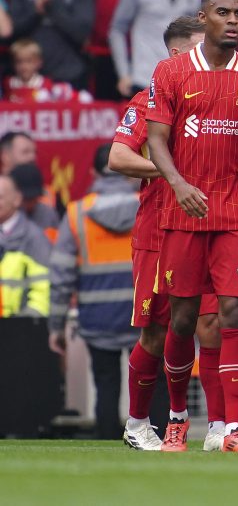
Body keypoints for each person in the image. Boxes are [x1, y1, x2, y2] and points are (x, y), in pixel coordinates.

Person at [145, 0, 238, 453]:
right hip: (183, 214)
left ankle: (233, 429)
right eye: (223, 12)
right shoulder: (173, 71)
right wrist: (179, 185)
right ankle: (178, 419)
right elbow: (156, 139)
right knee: (181, 320)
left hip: (236, 214)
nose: (233, 21)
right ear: (204, 18)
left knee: (232, 313)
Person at [112, 16, 228, 452]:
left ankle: (217, 426)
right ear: (178, 55)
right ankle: (139, 423)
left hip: (207, 229)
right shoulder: (146, 102)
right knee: (156, 331)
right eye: (203, 48)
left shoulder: (217, 98)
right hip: (157, 234)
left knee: (212, 324)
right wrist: (173, 172)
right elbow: (118, 157)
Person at [47, 144, 139, 440]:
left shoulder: (76, 213)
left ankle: (107, 439)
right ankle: (162, 438)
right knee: (154, 383)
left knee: (106, 384)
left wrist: (56, 326)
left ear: (92, 173)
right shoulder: (148, 204)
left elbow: (61, 276)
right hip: (144, 313)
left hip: (96, 316)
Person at [0, 174, 51, 317]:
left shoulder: (34, 237)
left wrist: (23, 325)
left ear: (16, 199)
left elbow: (43, 292)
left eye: (1, 197)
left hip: (19, 330)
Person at [3, 38, 85, 102]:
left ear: (39, 63)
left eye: (29, 61)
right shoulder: (9, 83)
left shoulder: (45, 83)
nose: (24, 66)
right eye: (19, 62)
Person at [9, 162, 60, 237]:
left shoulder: (48, 214)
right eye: (26, 199)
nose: (30, 203)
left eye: (33, 198)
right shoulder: (5, 215)